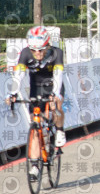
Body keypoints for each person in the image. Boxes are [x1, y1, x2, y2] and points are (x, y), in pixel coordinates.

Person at [5, 26, 66, 179]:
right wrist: (12, 93)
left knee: (57, 105)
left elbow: (58, 76)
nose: (37, 53)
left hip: (53, 85)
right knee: (35, 125)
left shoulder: (57, 53)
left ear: (48, 46)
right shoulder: (25, 53)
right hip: (36, 88)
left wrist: (55, 94)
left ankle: (59, 130)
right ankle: (34, 166)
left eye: (41, 50)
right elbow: (18, 75)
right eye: (34, 50)